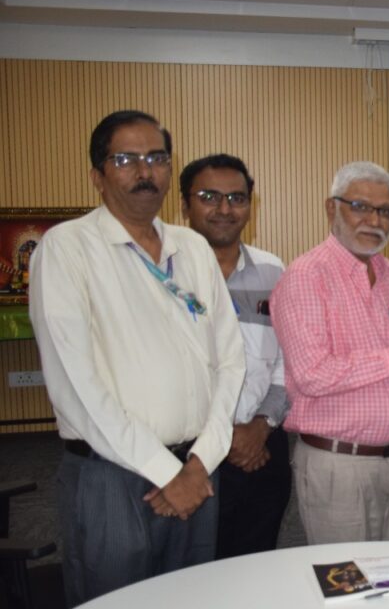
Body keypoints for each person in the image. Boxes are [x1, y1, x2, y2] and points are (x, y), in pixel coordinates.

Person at [29, 110, 245, 605]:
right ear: (97, 176)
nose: (144, 172)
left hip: (197, 469)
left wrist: (198, 463)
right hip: (113, 475)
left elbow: (230, 361)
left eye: (157, 158)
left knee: (193, 599)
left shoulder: (191, 247)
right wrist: (166, 473)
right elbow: (75, 383)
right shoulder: (67, 249)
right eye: (125, 159)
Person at [272, 161, 389, 544]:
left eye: (385, 211)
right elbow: (312, 375)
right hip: (339, 465)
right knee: (347, 590)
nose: (375, 220)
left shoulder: (388, 275)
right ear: (331, 208)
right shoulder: (306, 276)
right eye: (360, 206)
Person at [180, 153, 291, 559]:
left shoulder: (273, 272)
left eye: (237, 198)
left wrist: (262, 426)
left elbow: (286, 361)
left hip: (260, 444)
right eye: (209, 196)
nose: (224, 209)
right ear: (184, 203)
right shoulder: (166, 274)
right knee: (190, 570)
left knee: (255, 562)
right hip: (187, 450)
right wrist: (222, 437)